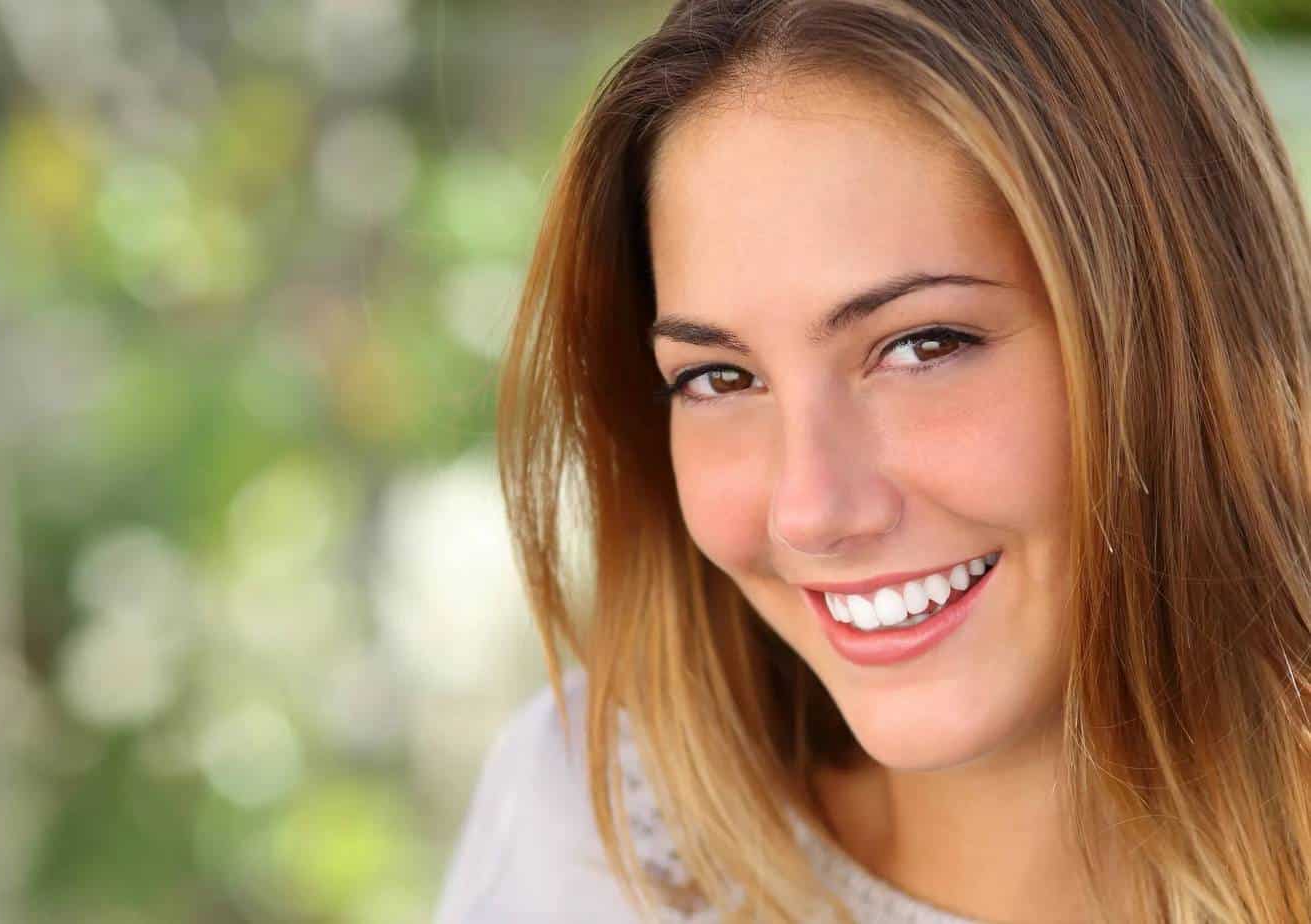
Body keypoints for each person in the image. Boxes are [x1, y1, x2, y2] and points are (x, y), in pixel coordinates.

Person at [435, 0, 1311, 921]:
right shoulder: (590, 839)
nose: (810, 511)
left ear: (1181, 339)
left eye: (924, 346)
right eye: (719, 377)